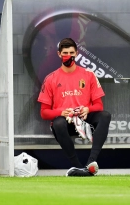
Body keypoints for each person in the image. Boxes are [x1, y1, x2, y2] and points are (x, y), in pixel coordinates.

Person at [37, 37, 111, 176]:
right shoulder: (51, 78)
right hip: (65, 123)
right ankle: (78, 167)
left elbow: (99, 106)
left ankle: (90, 163)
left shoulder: (89, 75)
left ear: (77, 53)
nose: (68, 56)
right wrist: (62, 112)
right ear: (59, 54)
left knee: (105, 115)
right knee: (58, 123)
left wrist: (88, 109)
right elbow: (44, 113)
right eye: (65, 53)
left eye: (71, 53)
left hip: (85, 119)